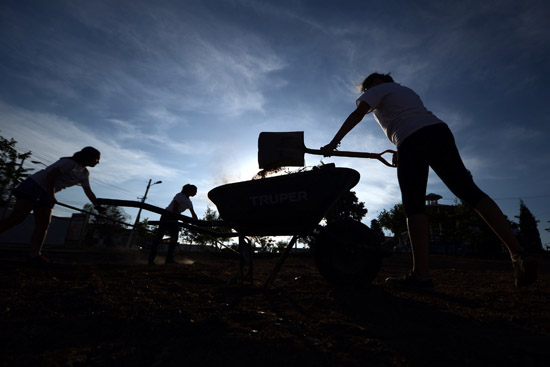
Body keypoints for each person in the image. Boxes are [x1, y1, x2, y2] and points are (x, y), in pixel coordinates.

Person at [321, 72, 537, 290]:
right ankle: (518, 253)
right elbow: (408, 118)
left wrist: (334, 142)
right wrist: (400, 146)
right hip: (438, 132)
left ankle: (421, 276)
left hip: (411, 139)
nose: (366, 90)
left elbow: (358, 114)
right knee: (469, 191)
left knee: (413, 205)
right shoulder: (407, 92)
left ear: (378, 83)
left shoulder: (378, 90)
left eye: (368, 86)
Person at [0, 147, 101, 264]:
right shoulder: (69, 163)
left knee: (43, 225)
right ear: (88, 157)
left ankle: (34, 255)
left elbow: (88, 191)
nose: (97, 162)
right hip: (34, 186)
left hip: (48, 193)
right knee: (17, 218)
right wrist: (50, 195)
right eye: (96, 159)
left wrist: (97, 206)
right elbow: (50, 176)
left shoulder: (84, 173)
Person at [148, 184, 198, 265]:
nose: (196, 193)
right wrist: (183, 219)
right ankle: (150, 260)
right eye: (195, 191)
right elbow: (175, 209)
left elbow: (193, 213)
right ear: (189, 190)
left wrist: (197, 222)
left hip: (175, 218)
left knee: (174, 238)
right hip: (167, 216)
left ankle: (169, 259)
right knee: (159, 236)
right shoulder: (180, 196)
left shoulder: (189, 201)